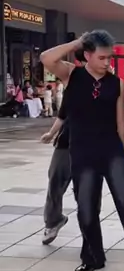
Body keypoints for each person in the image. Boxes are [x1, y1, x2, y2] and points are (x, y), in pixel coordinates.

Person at [40, 30, 124, 271]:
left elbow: (120, 123)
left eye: (109, 58)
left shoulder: (116, 83)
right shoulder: (72, 74)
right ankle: (92, 257)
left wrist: (121, 153)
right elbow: (46, 58)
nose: (106, 63)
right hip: (82, 152)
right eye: (101, 58)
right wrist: (78, 42)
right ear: (87, 55)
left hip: (111, 149)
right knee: (87, 207)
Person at [40, 94, 71, 245]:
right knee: (55, 182)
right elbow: (62, 115)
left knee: (88, 191)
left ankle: (91, 233)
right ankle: (53, 221)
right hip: (66, 143)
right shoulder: (73, 89)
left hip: (91, 145)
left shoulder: (105, 88)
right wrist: (51, 133)